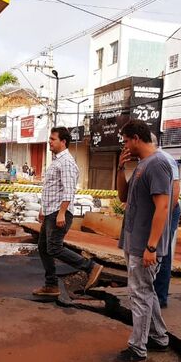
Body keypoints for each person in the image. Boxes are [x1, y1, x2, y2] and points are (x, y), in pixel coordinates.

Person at [111, 119, 173, 362]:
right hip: (133, 241)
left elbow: (164, 206)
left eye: (126, 141)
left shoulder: (157, 164)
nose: (125, 145)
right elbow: (123, 197)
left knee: (139, 294)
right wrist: (120, 168)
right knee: (145, 292)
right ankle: (158, 336)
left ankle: (137, 348)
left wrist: (151, 247)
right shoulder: (142, 165)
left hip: (145, 246)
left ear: (136, 138)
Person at [34, 127, 104, 297]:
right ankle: (51, 285)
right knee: (43, 248)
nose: (49, 142)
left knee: (54, 248)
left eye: (53, 139)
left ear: (63, 141)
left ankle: (90, 267)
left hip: (60, 212)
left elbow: (68, 190)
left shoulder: (66, 162)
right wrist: (44, 209)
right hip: (51, 211)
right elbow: (51, 188)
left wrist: (61, 213)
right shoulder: (57, 161)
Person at [151, 133, 180, 309]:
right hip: (157, 210)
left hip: (167, 210)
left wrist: (165, 216)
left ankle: (160, 296)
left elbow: (175, 189)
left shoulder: (165, 159)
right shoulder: (148, 159)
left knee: (163, 251)